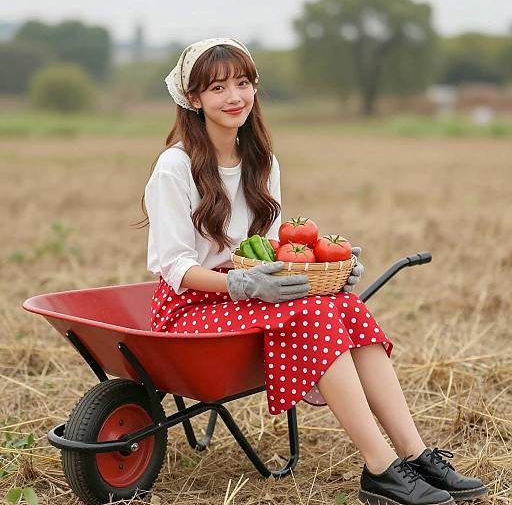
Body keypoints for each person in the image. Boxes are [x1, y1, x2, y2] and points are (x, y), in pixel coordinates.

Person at [137, 38, 487, 505]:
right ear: (193, 98)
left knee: (345, 306)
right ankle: (380, 468)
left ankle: (415, 453)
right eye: (218, 87)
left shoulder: (262, 162)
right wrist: (240, 282)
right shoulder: (174, 167)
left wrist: (332, 263)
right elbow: (175, 266)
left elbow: (279, 244)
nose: (234, 96)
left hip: (253, 296)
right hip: (192, 308)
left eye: (243, 83)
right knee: (315, 315)